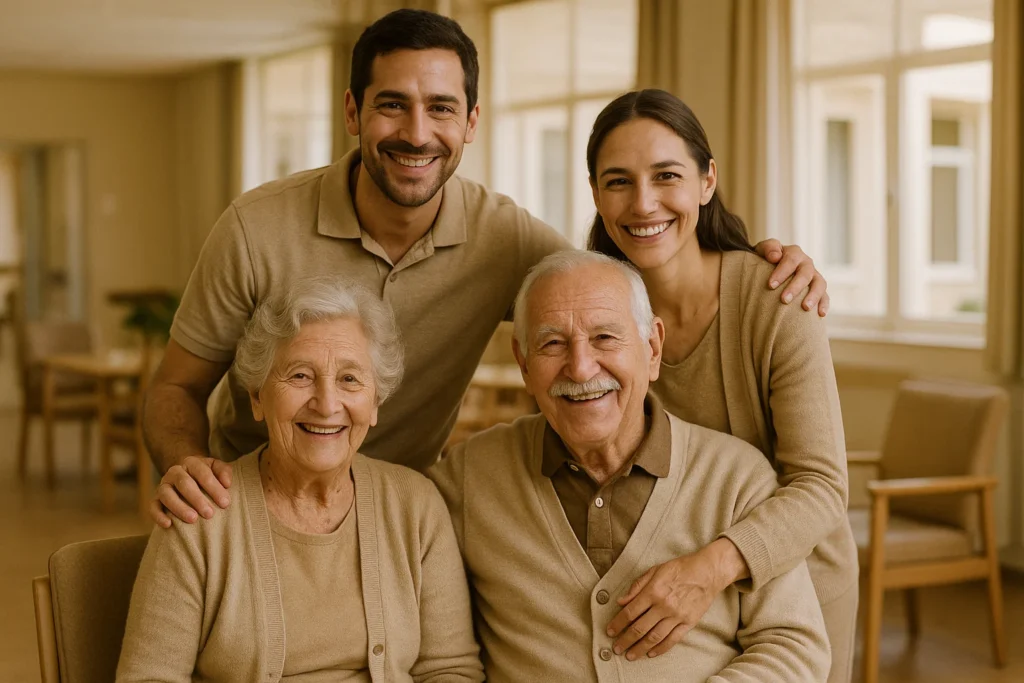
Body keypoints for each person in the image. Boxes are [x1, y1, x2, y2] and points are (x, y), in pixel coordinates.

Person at [146, 8, 828, 528]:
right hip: (254, 505)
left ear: (471, 122)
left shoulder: (506, 238)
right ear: (353, 111)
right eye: (392, 105)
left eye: (441, 108)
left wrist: (750, 259)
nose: (418, 132)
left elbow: (613, 290)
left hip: (397, 515)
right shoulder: (254, 227)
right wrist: (187, 468)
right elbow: (174, 389)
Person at [428, 250, 830, 683]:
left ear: (652, 348)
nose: (581, 368)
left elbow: (794, 648)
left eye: (604, 337)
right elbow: (438, 655)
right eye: (552, 343)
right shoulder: (469, 476)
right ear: (524, 364)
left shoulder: (736, 480)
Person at [585, 89, 857, 683]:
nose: (643, 202)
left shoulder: (778, 301)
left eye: (667, 176)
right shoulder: (595, 307)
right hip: (660, 594)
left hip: (790, 594)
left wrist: (708, 569)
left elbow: (821, 486)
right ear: (595, 194)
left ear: (707, 181)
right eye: (618, 181)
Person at [117, 278, 483, 683]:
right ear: (257, 397)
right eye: (300, 376)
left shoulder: (417, 507)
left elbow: (450, 670)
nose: (326, 405)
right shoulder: (200, 512)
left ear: (375, 401)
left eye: (349, 379)